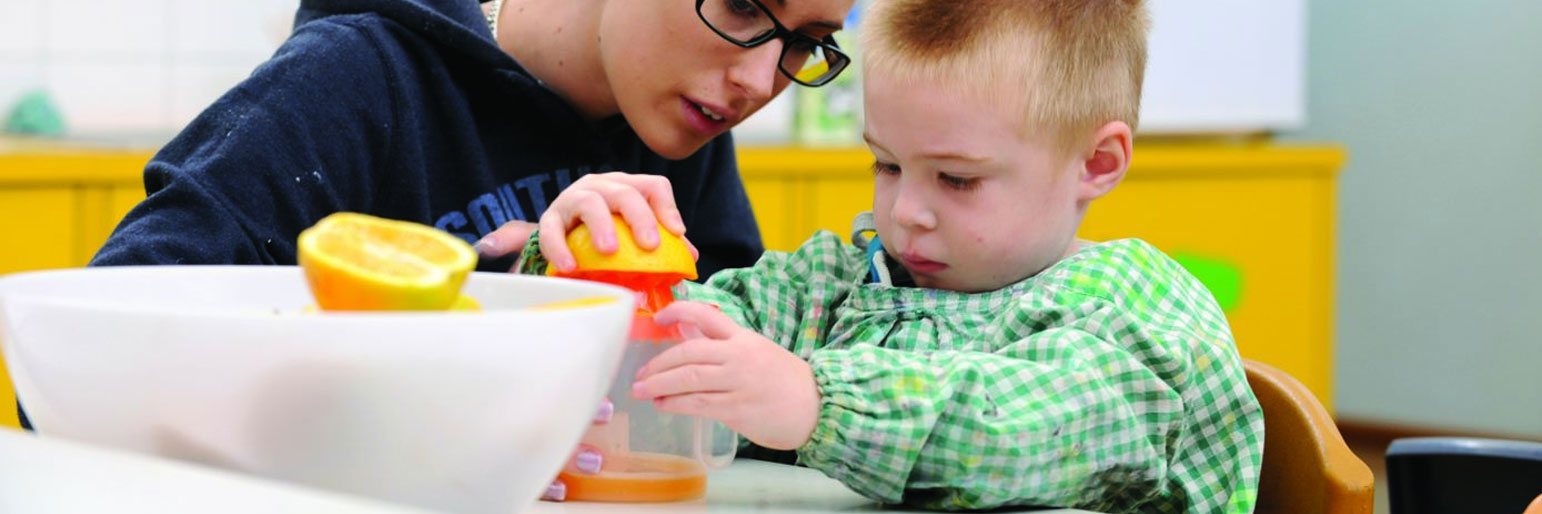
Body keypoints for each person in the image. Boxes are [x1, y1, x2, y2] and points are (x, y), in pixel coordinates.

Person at [24, 0, 856, 461]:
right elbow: (77, 375)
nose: (758, 79)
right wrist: (492, 303)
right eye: (744, 4)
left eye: (807, 44)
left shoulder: (684, 127)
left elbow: (708, 422)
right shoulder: (352, 80)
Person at [516, 0, 1265, 512]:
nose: (904, 210)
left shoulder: (1136, 320)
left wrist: (814, 403)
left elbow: (1016, 429)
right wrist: (596, 275)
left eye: (957, 178)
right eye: (887, 164)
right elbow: (697, 329)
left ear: (1096, 163)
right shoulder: (848, 283)